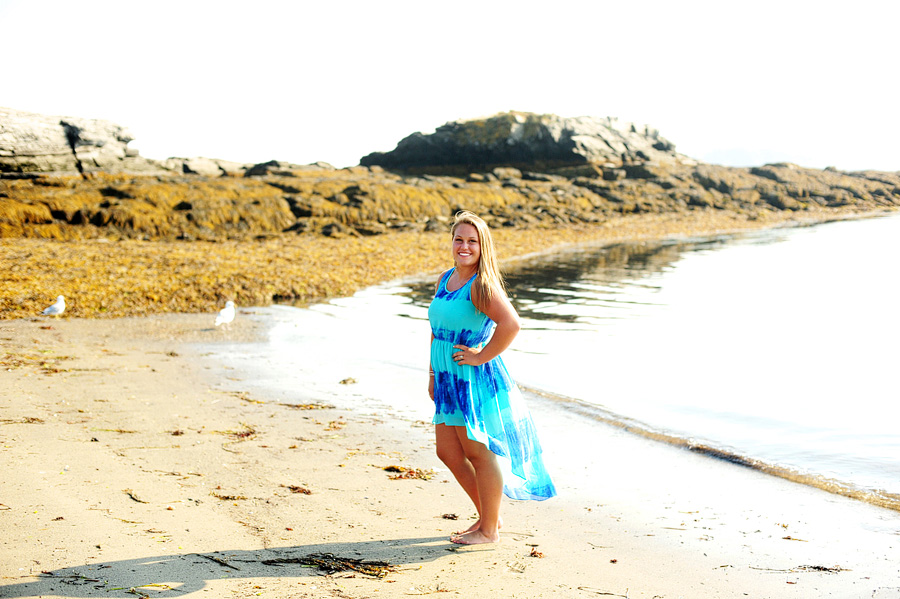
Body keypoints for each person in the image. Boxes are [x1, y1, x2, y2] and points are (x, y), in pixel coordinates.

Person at [428, 210, 556, 545]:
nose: (464, 246)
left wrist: (481, 355)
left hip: (470, 378)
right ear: (452, 242)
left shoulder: (481, 286)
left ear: (483, 246)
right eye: (459, 239)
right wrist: (431, 375)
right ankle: (489, 519)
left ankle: (488, 529)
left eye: (472, 241)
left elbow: (512, 324)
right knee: (448, 452)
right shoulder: (446, 279)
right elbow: (436, 330)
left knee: (477, 453)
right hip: (446, 378)